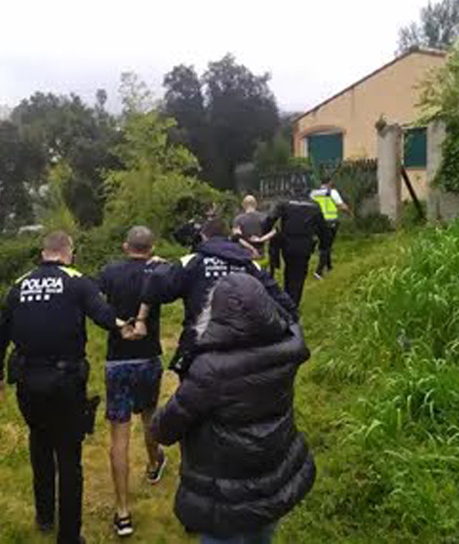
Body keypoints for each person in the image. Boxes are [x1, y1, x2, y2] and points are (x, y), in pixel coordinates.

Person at [0, 231, 130, 544]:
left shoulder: (19, 284)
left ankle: (45, 517)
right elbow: (103, 315)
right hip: (65, 383)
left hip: (27, 382)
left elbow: (0, 336)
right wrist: (125, 326)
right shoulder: (77, 280)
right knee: (68, 457)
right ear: (68, 252)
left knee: (39, 444)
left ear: (43, 252)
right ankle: (69, 536)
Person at [150, 272, 316, 544]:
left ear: (216, 313)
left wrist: (158, 419)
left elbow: (165, 429)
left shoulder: (211, 370)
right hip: (272, 471)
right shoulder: (288, 347)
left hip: (226, 492)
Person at [134, 217, 296, 376]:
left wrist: (160, 267)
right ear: (228, 237)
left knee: (195, 398)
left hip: (200, 347)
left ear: (203, 237)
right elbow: (283, 303)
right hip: (245, 348)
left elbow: (159, 287)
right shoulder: (249, 264)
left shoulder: (192, 262)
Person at [97, 226, 168, 537]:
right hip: (148, 356)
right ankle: (154, 464)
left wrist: (115, 323)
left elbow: (94, 302)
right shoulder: (159, 270)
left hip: (118, 360)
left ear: (126, 246)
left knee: (119, 437)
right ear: (150, 248)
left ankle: (123, 513)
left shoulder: (109, 272)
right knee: (149, 415)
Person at [263, 185, 330, 307]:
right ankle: (294, 302)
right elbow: (323, 229)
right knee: (299, 274)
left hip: (287, 244)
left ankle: (287, 299)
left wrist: (265, 234)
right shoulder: (314, 206)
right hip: (305, 245)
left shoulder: (284, 203)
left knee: (289, 271)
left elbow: (270, 219)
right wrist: (324, 246)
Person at [310, 177, 350, 278]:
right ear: (330, 182)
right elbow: (341, 205)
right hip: (330, 222)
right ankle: (318, 271)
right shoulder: (332, 192)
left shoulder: (314, 193)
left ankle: (329, 266)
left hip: (317, 223)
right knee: (326, 246)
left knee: (325, 244)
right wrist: (348, 211)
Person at [232, 195, 268, 260]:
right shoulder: (264, 217)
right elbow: (273, 232)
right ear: (256, 204)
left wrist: (252, 249)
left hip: (244, 254)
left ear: (243, 205)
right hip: (260, 253)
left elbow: (237, 237)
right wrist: (261, 239)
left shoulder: (238, 219)